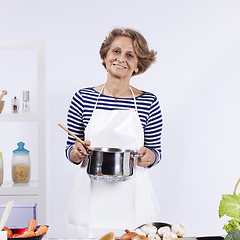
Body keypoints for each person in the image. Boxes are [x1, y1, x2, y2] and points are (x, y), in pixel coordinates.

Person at [65, 27, 163, 238]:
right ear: (105, 55)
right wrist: (76, 151)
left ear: (138, 65)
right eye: (116, 51)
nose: (121, 59)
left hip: (133, 194)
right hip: (90, 193)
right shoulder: (82, 98)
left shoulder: (149, 102)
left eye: (130, 55)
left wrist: (149, 156)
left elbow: (156, 153)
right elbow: (70, 150)